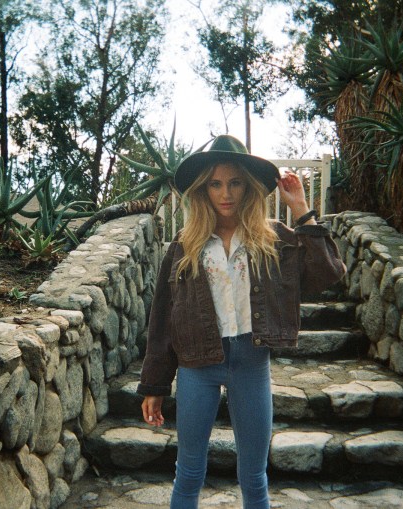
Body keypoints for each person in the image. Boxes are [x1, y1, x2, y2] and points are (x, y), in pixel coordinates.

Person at [137, 134, 346, 509]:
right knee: (188, 473)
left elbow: (329, 273)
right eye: (215, 184)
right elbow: (163, 320)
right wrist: (155, 383)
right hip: (197, 367)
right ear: (203, 190)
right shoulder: (185, 247)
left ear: (248, 186)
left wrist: (302, 211)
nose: (225, 193)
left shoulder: (274, 240)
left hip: (251, 363)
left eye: (234, 182)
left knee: (253, 475)